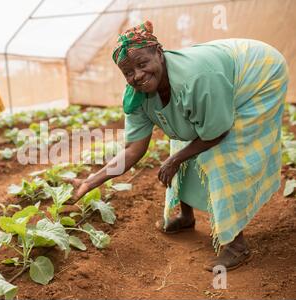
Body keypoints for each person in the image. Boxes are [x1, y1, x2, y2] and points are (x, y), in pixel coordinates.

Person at [67, 20, 288, 271]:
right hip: (218, 73)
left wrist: (175, 160)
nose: (137, 75)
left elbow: (217, 132)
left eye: (142, 64)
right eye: (128, 72)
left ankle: (236, 246)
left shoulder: (197, 79)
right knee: (181, 147)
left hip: (258, 72)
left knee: (219, 156)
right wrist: (90, 181)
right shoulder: (136, 98)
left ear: (160, 55)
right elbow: (132, 150)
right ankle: (186, 217)